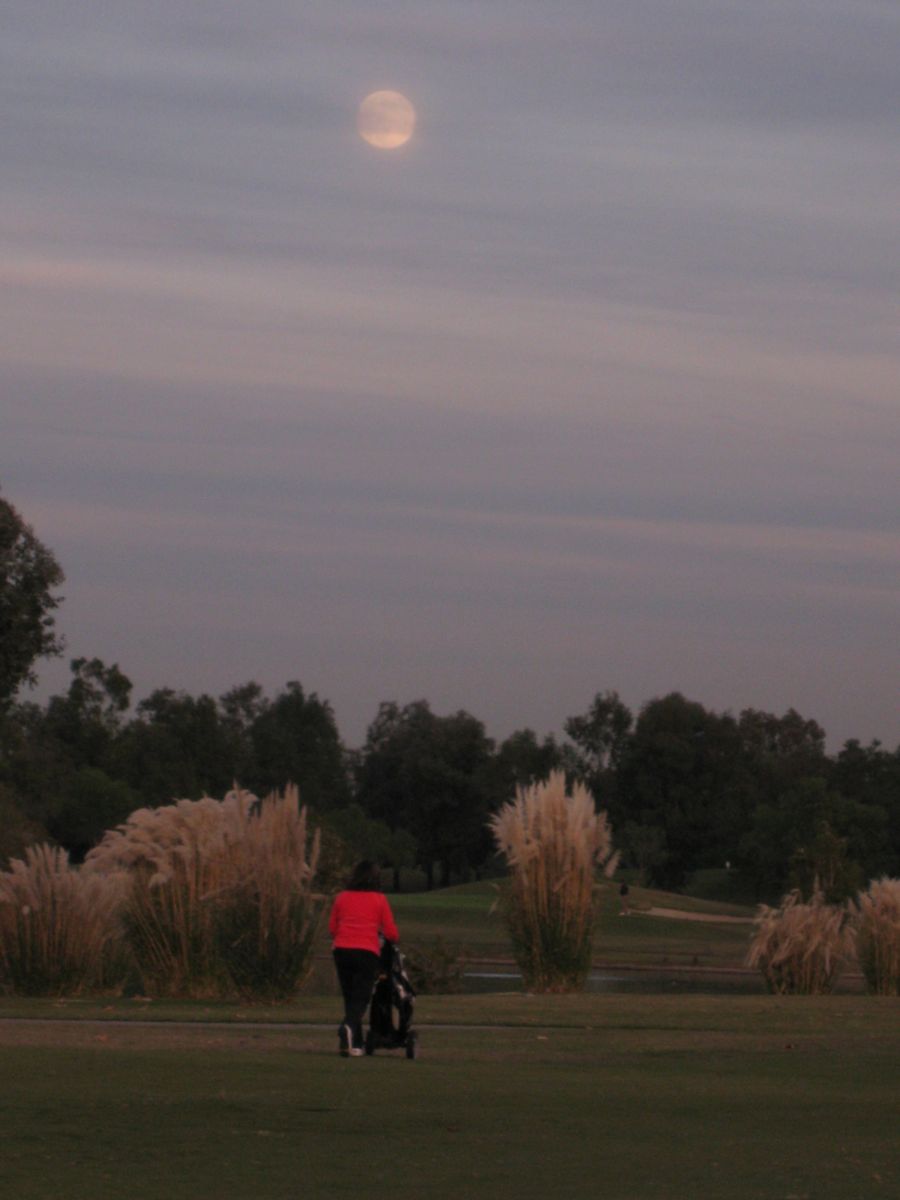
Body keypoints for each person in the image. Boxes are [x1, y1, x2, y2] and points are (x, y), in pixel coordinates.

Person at [328, 860, 399, 1057]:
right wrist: (391, 938)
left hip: (342, 950)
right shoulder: (379, 899)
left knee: (349, 996)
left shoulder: (341, 897)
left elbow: (332, 928)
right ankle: (348, 1027)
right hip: (367, 951)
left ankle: (355, 1043)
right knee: (362, 995)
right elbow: (391, 932)